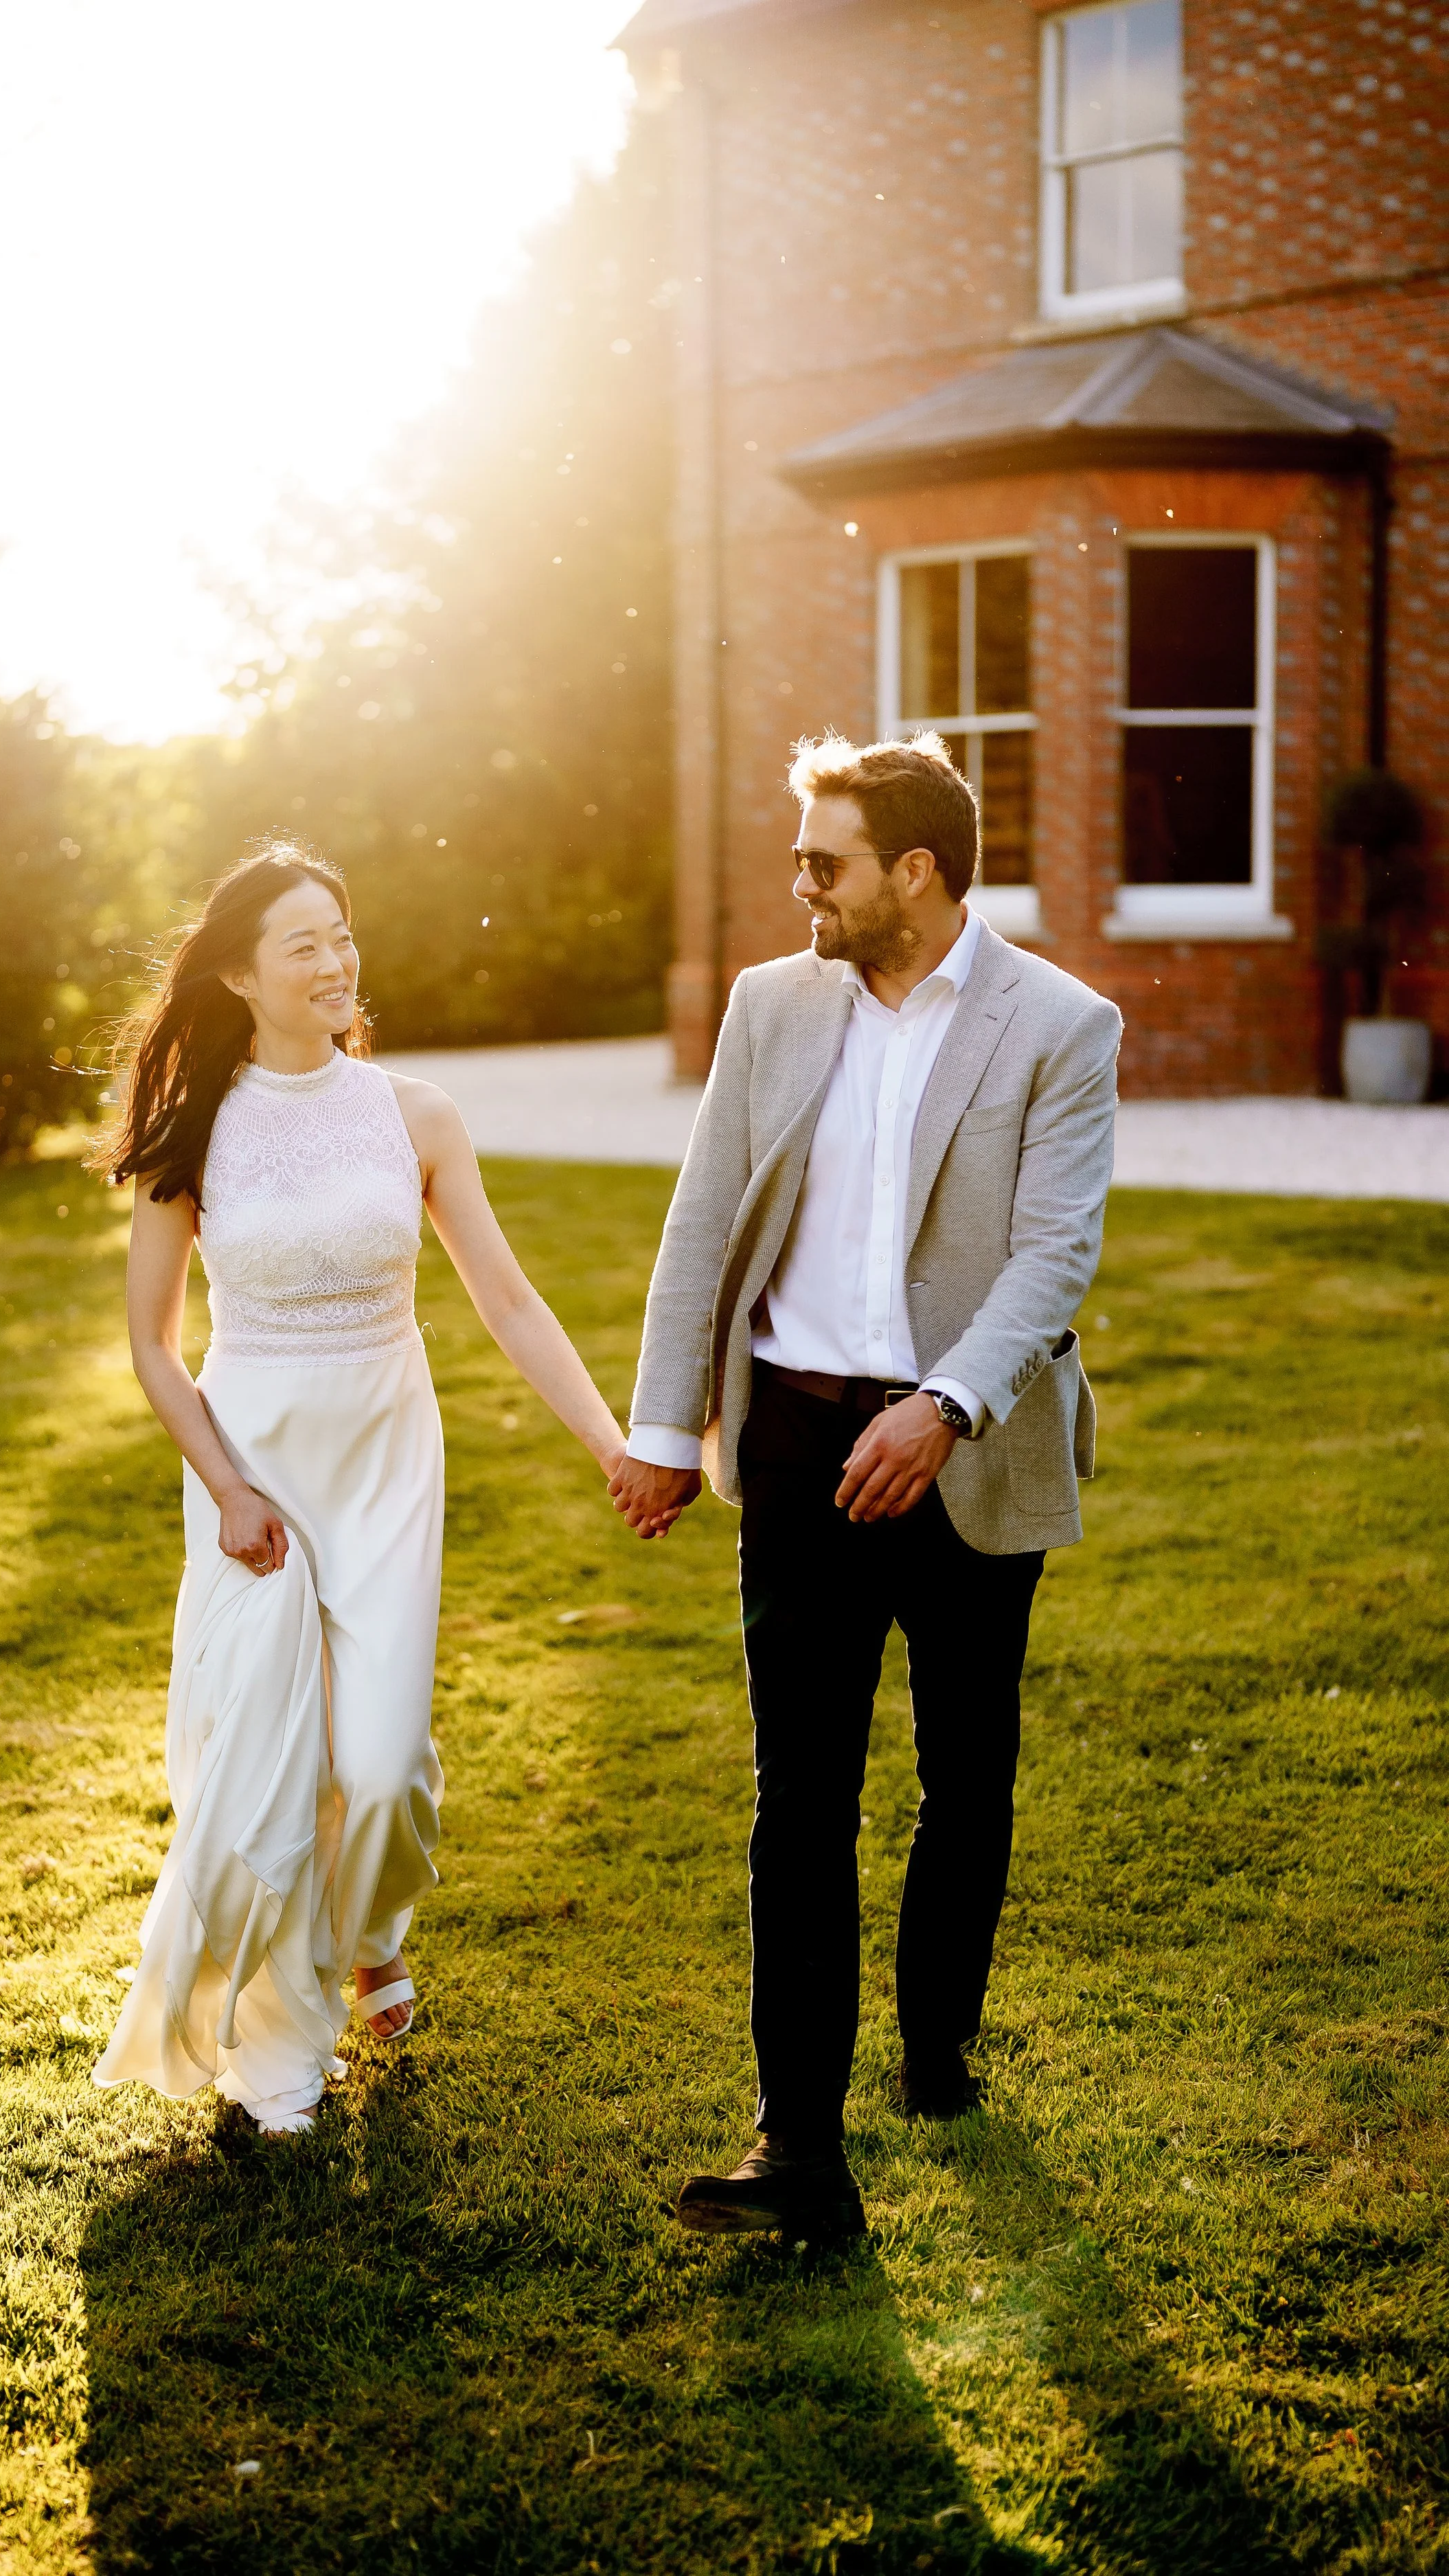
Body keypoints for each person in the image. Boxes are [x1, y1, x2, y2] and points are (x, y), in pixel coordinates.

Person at [606, 733, 1121, 2241]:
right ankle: (795, 2146)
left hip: (966, 1448)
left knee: (964, 1779)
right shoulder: (771, 1008)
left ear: (914, 871)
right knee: (798, 1800)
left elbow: (1051, 1256)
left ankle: (936, 2037)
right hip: (791, 1451)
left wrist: (946, 1405)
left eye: (821, 862)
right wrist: (657, 1425)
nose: (798, 887)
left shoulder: (1056, 1025)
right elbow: (700, 1223)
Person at [91, 842, 628, 2136]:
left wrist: (612, 1443)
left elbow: (504, 1295)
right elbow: (155, 1343)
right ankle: (280, 2041)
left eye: (342, 936)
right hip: (254, 1468)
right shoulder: (194, 1131)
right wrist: (222, 1484)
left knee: (381, 1766)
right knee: (271, 1763)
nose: (336, 964)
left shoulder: (418, 1115)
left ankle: (373, 1928)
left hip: (389, 1452)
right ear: (239, 973)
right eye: (303, 945)